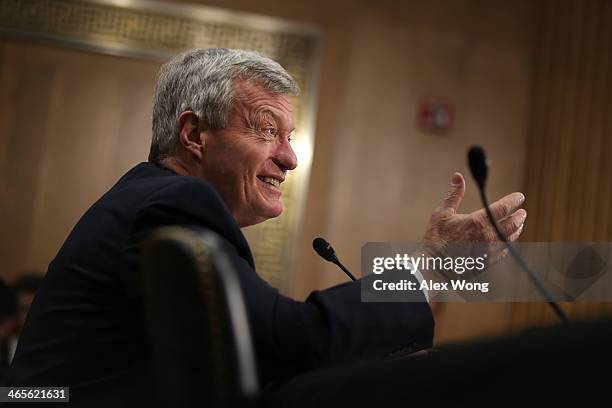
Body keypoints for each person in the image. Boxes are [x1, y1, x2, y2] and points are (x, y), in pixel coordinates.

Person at [6, 49, 526, 404]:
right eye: (266, 130)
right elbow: (286, 340)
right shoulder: (171, 202)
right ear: (194, 134)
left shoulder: (151, 198)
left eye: (289, 134)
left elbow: (248, 367)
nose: (291, 157)